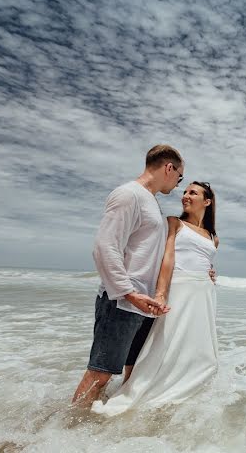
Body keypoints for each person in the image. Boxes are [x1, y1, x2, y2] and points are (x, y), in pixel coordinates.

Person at [71, 145, 185, 407]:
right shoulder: (129, 195)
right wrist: (129, 293)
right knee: (101, 373)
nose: (178, 185)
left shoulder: (150, 201)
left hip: (143, 303)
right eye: (180, 178)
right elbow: (105, 246)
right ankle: (63, 428)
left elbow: (153, 254)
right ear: (169, 168)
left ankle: (109, 425)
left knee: (134, 374)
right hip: (122, 301)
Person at [92, 181, 219, 415]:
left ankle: (183, 390)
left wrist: (210, 274)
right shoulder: (173, 223)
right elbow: (167, 258)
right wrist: (160, 293)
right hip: (178, 288)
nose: (186, 195)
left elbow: (205, 262)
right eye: (185, 191)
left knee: (194, 346)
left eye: (193, 192)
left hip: (202, 294)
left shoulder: (213, 237)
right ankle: (136, 389)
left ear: (207, 201)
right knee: (163, 342)